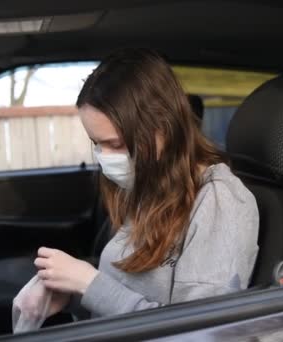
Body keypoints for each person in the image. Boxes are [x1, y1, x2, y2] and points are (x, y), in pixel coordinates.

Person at [33, 48, 259, 318]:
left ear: (163, 126)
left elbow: (199, 330)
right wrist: (71, 290)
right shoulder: (152, 189)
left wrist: (89, 283)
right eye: (97, 144)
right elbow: (124, 286)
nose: (104, 157)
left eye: (115, 143)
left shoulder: (221, 202)